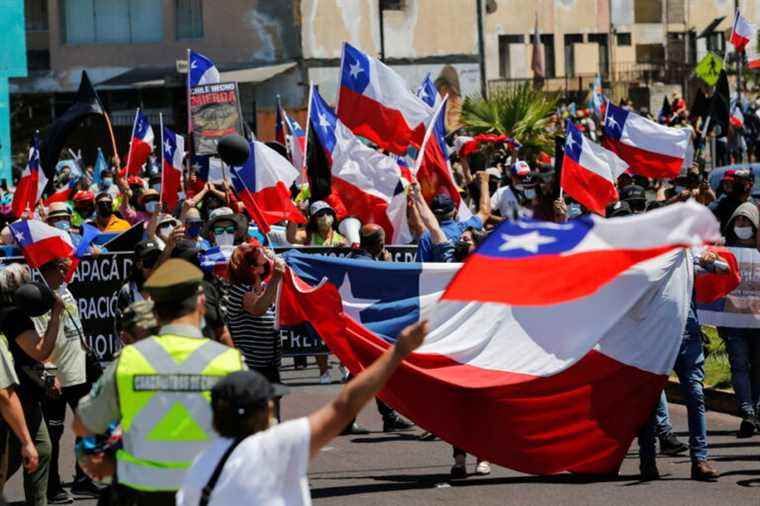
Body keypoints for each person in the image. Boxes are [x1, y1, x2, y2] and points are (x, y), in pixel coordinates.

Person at [176, 320, 428, 506]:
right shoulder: (277, 446)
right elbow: (345, 405)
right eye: (269, 402)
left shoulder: (198, 468)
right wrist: (398, 352)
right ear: (262, 412)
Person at [74, 258, 246, 505]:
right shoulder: (230, 362)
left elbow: (84, 423)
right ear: (201, 303)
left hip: (141, 493)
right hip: (207, 492)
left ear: (154, 310)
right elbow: (255, 437)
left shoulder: (128, 361)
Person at [638, 249, 723, 482]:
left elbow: (718, 265)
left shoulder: (689, 253)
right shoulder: (645, 257)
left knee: (696, 395)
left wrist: (711, 259)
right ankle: (647, 459)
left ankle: (700, 459)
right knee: (649, 400)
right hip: (654, 339)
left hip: (688, 336)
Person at [35, 257, 100, 502]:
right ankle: (51, 488)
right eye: (59, 268)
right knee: (54, 434)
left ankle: (83, 480)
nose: (65, 271)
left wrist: (82, 340)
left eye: (65, 268)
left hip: (79, 371)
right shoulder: (40, 298)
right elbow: (40, 341)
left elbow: (73, 325)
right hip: (57, 376)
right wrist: (49, 373)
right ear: (46, 270)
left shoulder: (66, 289)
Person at [0, 264, 60, 506]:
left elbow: (28, 357)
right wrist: (56, 314)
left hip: (23, 393)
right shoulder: (12, 315)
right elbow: (41, 350)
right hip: (15, 396)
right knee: (19, 454)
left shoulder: (14, 312)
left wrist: (49, 374)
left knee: (40, 449)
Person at [717, 202, 760, 437]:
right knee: (739, 364)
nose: (742, 225)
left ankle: (756, 408)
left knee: (757, 366)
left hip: (757, 322)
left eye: (747, 222)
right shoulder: (723, 252)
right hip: (733, 321)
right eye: (738, 221)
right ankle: (746, 410)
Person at [226, 242, 284, 414]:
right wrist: (276, 278)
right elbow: (258, 308)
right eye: (255, 266)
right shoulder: (239, 290)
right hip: (250, 366)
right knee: (256, 418)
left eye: (262, 265)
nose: (260, 270)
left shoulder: (264, 287)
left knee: (273, 415)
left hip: (269, 364)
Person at [415, 171, 490, 262]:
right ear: (455, 210)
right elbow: (485, 211)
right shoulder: (467, 228)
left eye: (466, 239)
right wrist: (484, 183)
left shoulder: (428, 236)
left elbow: (422, 269)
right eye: (464, 238)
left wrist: (416, 196)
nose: (462, 237)